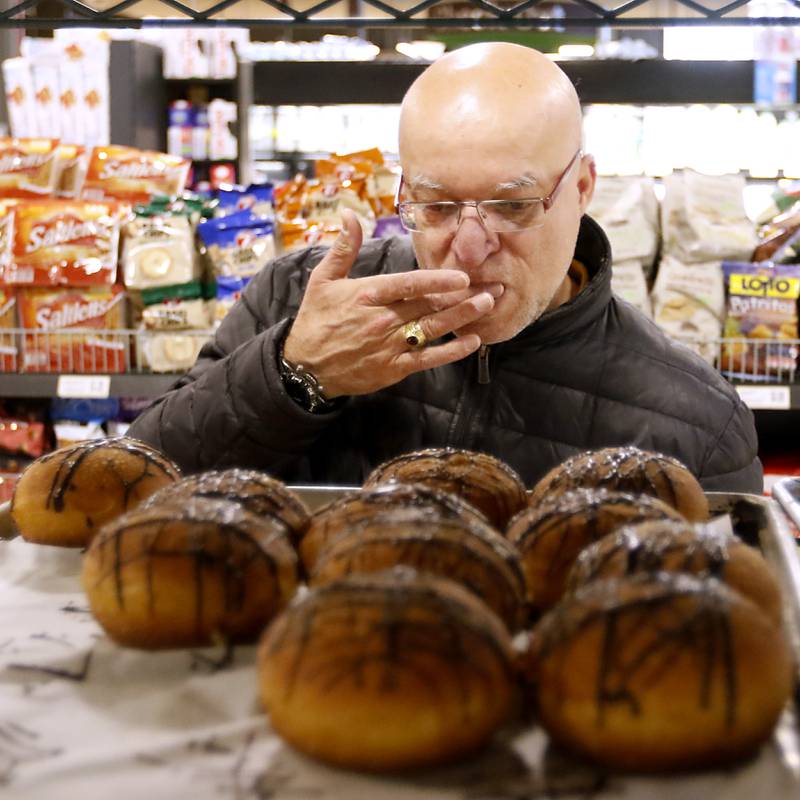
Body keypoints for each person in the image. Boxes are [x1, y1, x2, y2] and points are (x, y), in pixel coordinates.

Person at [128, 42, 762, 493]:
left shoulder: (696, 422)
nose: (469, 247)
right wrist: (293, 377)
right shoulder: (298, 296)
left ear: (583, 186)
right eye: (435, 206)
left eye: (513, 205)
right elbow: (133, 483)